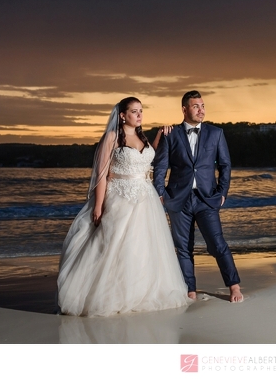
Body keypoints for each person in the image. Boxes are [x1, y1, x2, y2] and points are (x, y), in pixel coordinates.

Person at [57, 97, 190, 316]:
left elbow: (148, 158)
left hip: (145, 199)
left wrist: (160, 135)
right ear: (122, 115)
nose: (139, 115)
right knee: (114, 247)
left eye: (141, 111)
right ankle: (111, 294)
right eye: (134, 111)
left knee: (140, 248)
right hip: (119, 196)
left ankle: (139, 292)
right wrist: (98, 206)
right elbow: (102, 175)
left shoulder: (142, 137)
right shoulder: (111, 137)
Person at [153, 90, 243, 303]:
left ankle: (234, 286)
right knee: (183, 247)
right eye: (196, 106)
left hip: (207, 199)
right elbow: (161, 166)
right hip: (178, 199)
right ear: (184, 109)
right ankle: (190, 290)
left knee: (217, 244)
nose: (201, 110)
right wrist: (160, 193)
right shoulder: (171, 134)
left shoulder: (216, 133)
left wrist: (222, 192)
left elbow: (225, 165)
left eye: (203, 106)